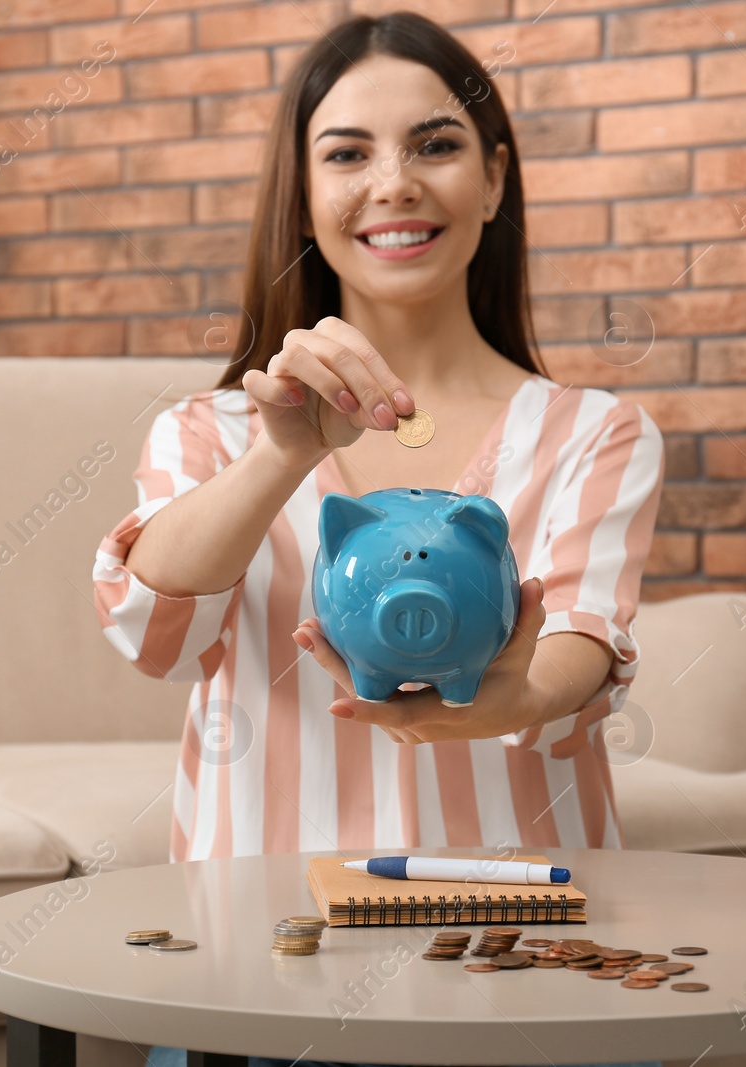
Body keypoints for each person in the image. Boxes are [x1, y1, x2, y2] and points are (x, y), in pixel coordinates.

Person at [91, 12, 665, 1067]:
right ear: (304, 196)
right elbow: (154, 633)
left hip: (521, 969)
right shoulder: (210, 432)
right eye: (347, 153)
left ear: (493, 181)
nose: (393, 182)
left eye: (434, 145)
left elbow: (583, 638)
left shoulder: (595, 431)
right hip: (260, 977)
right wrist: (282, 456)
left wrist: (523, 695)